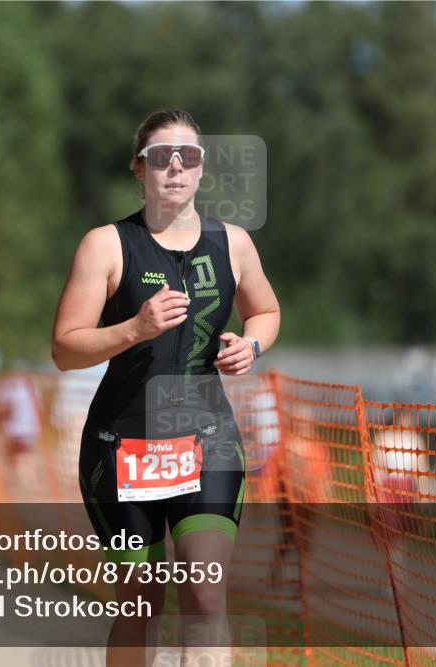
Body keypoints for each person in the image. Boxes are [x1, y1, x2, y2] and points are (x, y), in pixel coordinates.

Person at [51, 109, 280, 667]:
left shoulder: (234, 244)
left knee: (204, 594)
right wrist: (135, 328)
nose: (175, 167)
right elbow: (64, 348)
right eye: (160, 157)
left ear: (202, 170)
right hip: (122, 443)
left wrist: (248, 347)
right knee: (141, 602)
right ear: (139, 169)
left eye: (189, 157)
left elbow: (267, 311)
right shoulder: (106, 245)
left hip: (208, 440)